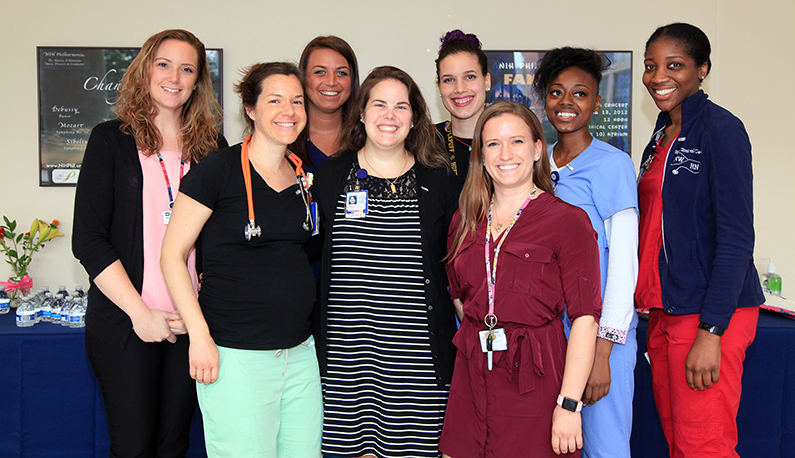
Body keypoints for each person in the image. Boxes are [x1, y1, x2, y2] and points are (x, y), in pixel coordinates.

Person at [72, 29, 226, 458]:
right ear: (144, 70)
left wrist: (196, 317)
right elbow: (88, 239)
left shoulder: (214, 149)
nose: (174, 77)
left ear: (198, 81)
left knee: (174, 443)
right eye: (164, 64)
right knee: (133, 445)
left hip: (190, 325)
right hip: (127, 324)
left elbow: (224, 244)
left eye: (187, 68)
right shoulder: (110, 140)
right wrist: (140, 313)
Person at [160, 62, 321, 458]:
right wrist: (199, 336)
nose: (289, 111)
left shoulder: (302, 175)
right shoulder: (217, 170)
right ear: (250, 108)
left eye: (297, 101)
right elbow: (172, 255)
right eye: (276, 100)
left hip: (299, 354)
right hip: (236, 356)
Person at [310, 66, 460, 458]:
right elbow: (304, 252)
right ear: (361, 112)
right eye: (379, 104)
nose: (389, 115)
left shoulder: (440, 181)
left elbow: (458, 264)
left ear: (414, 118)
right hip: (348, 360)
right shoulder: (328, 176)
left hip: (418, 362)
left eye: (401, 106)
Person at [440, 101, 601, 457]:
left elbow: (586, 320)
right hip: (472, 375)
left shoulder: (568, 222)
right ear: (481, 156)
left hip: (536, 379)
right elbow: (459, 294)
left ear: (537, 149)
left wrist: (570, 405)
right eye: (493, 144)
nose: (505, 153)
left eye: (517, 141)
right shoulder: (465, 221)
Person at [637, 23, 763, 458]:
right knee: (679, 439)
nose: (658, 77)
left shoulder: (721, 130)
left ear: (702, 69)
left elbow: (735, 238)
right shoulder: (661, 133)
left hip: (709, 314)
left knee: (703, 444)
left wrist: (712, 330)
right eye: (651, 66)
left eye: (674, 65)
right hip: (666, 310)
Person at [533, 47, 638, 458]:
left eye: (579, 93)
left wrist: (602, 353)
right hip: (551, 338)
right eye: (557, 92)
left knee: (603, 447)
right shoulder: (539, 166)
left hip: (599, 341)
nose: (566, 103)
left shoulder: (612, 166)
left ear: (597, 102)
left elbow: (625, 262)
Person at [292, 35, 360, 173]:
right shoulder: (285, 137)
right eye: (320, 72)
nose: (331, 81)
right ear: (303, 78)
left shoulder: (368, 138)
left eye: (341, 73)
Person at [435, 29, 491, 180]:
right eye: (449, 80)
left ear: (487, 81)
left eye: (470, 77)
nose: (459, 88)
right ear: (439, 86)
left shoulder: (509, 139)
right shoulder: (425, 142)